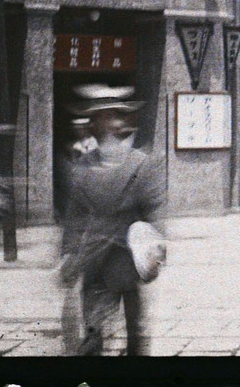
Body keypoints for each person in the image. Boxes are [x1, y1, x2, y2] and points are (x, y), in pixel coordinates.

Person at [59, 85, 166, 356]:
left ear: (118, 120)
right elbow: (75, 215)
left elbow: (153, 210)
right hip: (93, 258)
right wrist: (69, 253)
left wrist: (155, 246)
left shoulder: (140, 164)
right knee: (93, 330)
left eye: (106, 116)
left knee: (135, 329)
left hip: (127, 257)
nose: (99, 124)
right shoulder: (81, 168)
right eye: (95, 118)